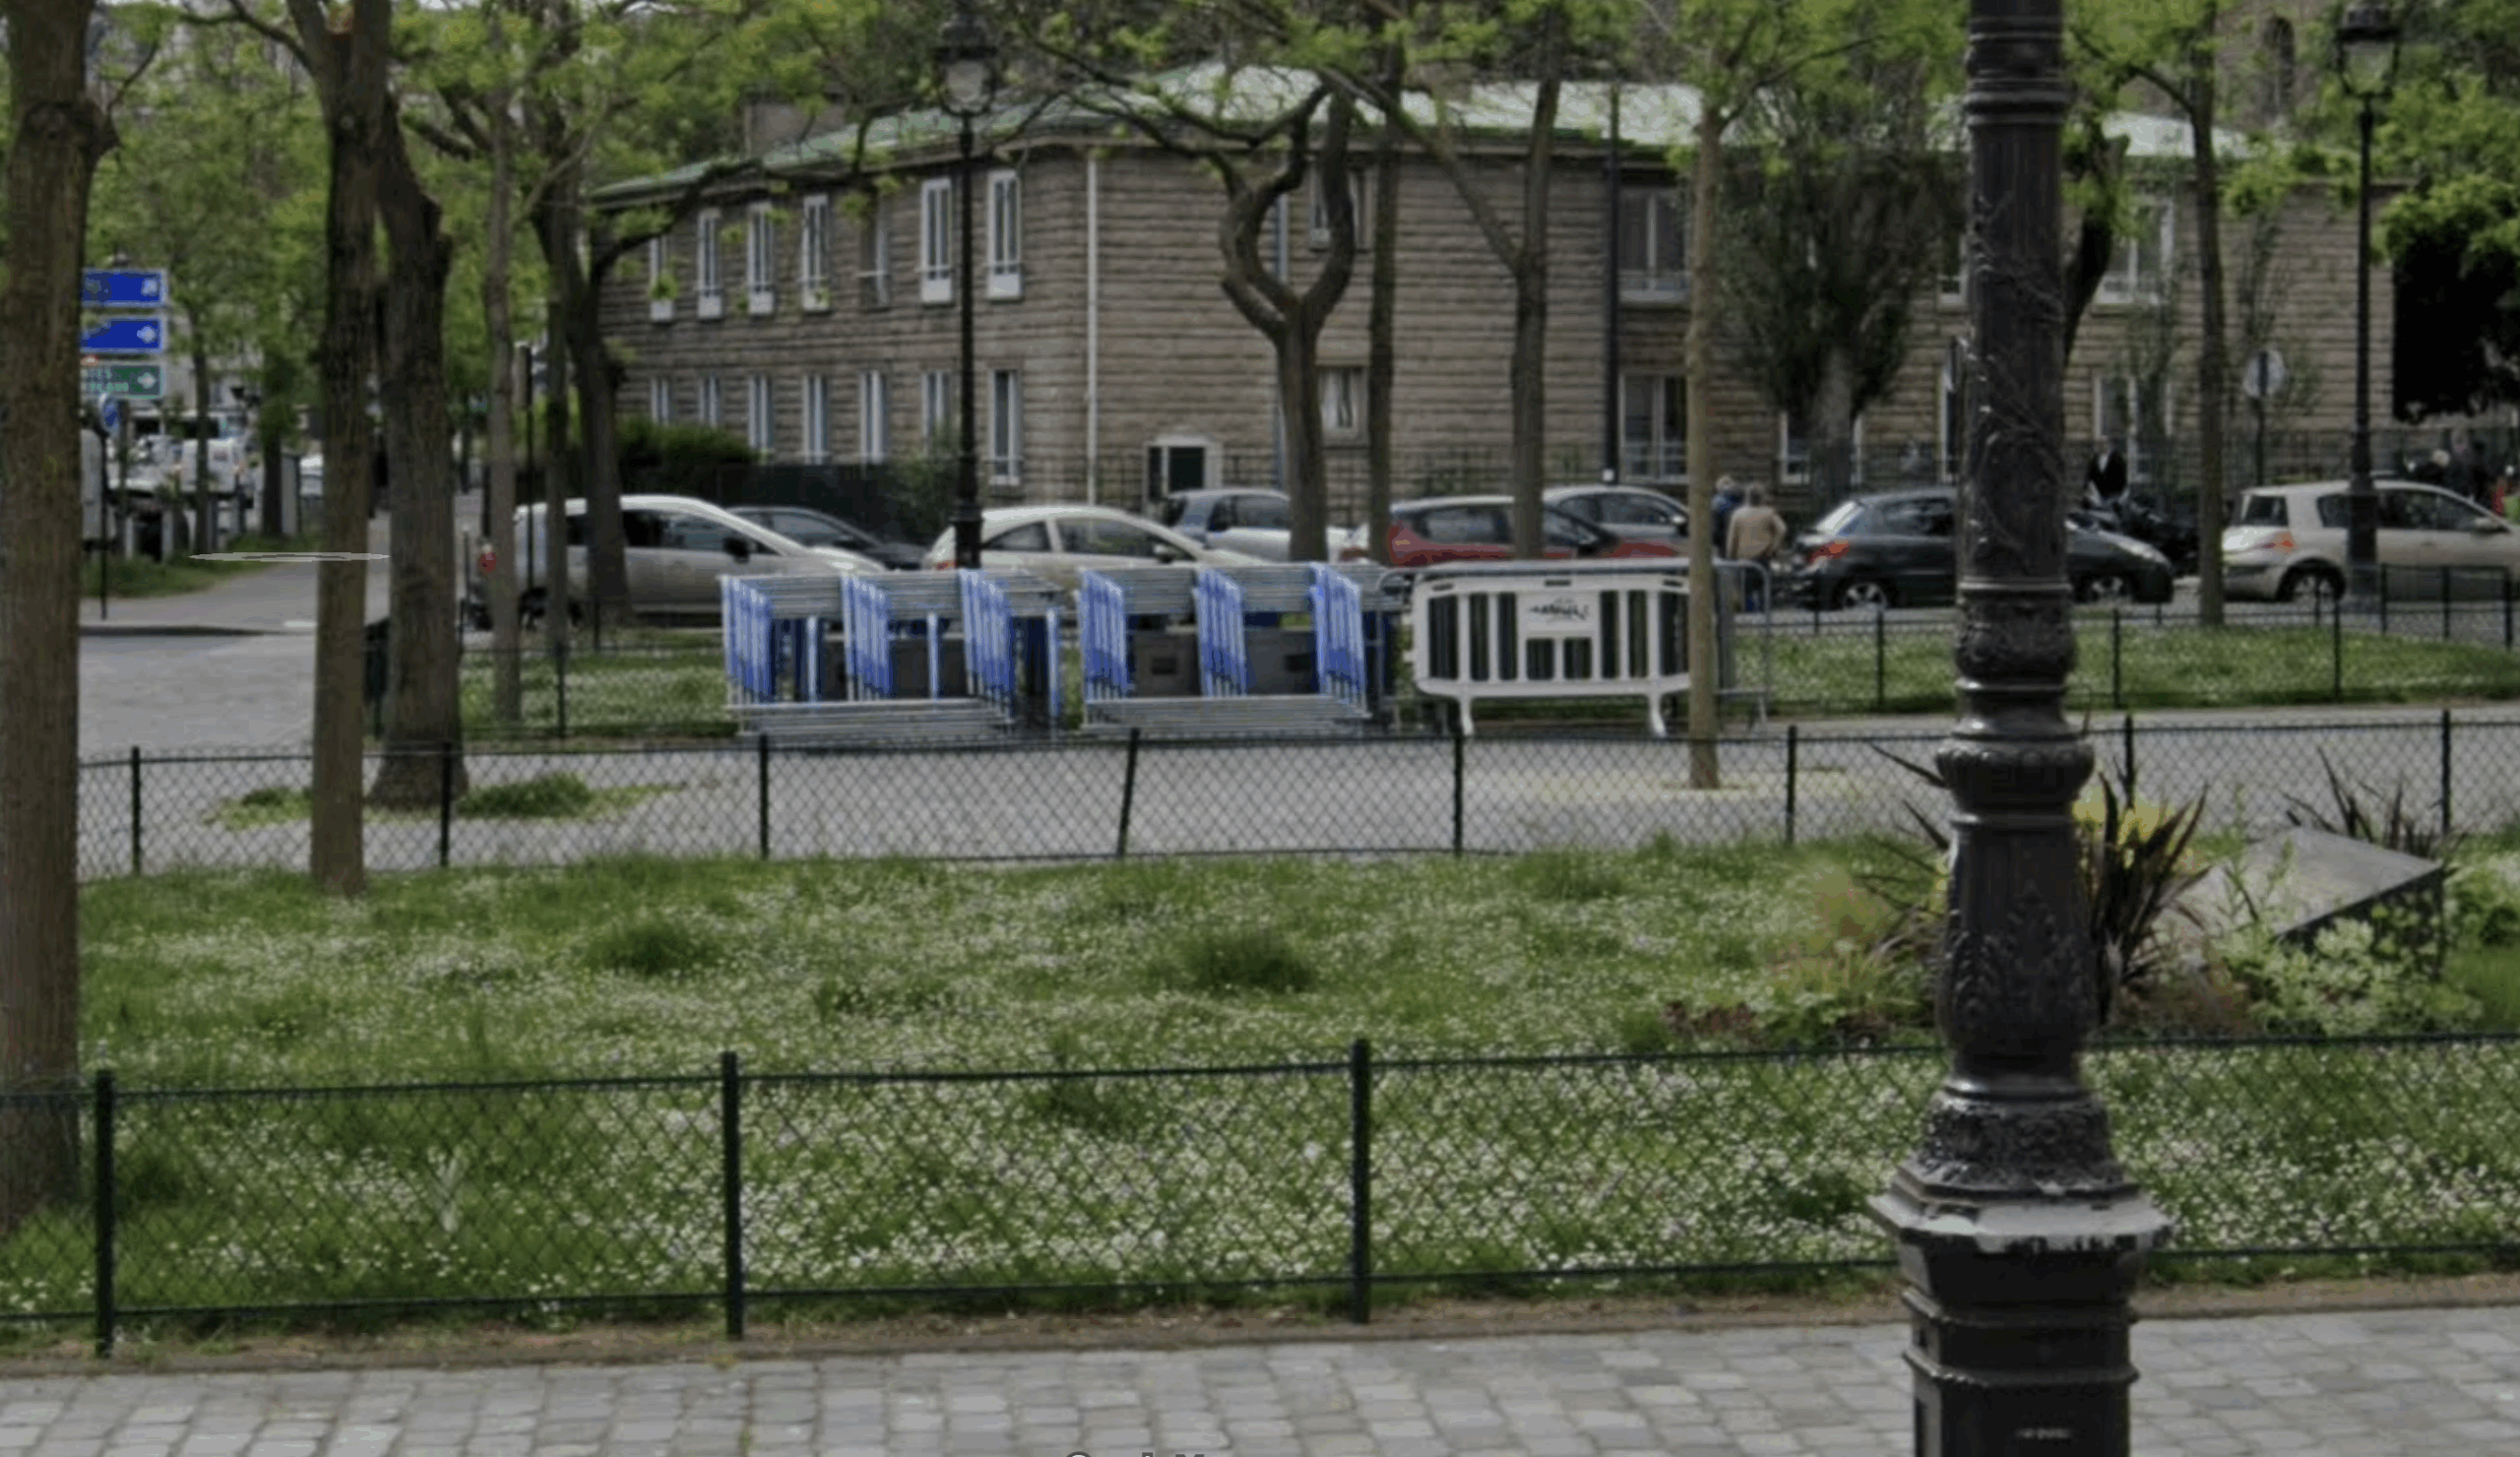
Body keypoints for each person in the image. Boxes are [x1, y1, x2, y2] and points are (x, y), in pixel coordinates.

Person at [1725, 482, 1789, 610]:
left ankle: (1749, 618)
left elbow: (1732, 539)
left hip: (1744, 559)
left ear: (1747, 497)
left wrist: (1730, 556)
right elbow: (1782, 529)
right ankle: (1764, 619)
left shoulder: (1738, 515)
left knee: (1745, 591)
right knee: (1763, 590)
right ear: (1762, 497)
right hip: (1763, 557)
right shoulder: (1769, 513)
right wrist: (1773, 547)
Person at [2084, 437, 2128, 510]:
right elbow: (2090, 475)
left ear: (2109, 444)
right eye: (2100, 444)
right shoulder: (2095, 458)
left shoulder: (2117, 458)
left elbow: (2122, 476)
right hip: (2099, 495)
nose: (2102, 446)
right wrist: (2087, 488)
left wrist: (2120, 493)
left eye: (2104, 443)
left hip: (2114, 494)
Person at [1710, 475, 1744, 555]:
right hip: (1741, 538)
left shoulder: (1717, 501)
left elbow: (1715, 525)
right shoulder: (1743, 497)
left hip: (1723, 538)